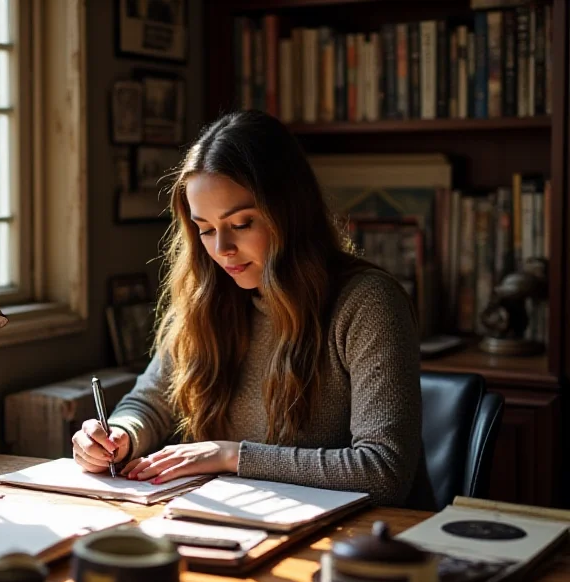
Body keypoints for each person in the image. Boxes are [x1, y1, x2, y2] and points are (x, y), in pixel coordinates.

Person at [72, 110, 434, 509]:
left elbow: (384, 472)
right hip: (246, 523)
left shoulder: (368, 303)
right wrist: (120, 435)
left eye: (242, 224)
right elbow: (151, 401)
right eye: (205, 229)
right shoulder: (208, 297)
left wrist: (230, 456)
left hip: (365, 546)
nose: (222, 249)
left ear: (289, 213)